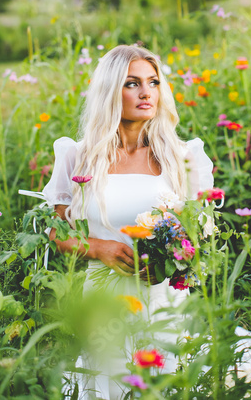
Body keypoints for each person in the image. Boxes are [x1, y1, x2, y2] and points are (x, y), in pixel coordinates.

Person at [42, 44, 214, 399]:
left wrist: (174, 255)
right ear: (110, 90)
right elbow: (56, 233)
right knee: (113, 383)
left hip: (164, 300)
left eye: (153, 82)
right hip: (105, 298)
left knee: (169, 383)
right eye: (132, 83)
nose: (146, 92)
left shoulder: (181, 157)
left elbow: (201, 232)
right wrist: (97, 247)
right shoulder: (78, 156)